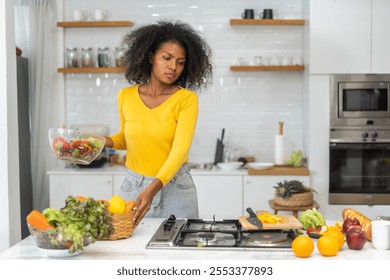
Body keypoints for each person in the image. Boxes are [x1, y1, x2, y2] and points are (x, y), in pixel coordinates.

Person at [104, 20, 213, 226]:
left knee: (180, 254)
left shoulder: (186, 100)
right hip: (134, 187)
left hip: (176, 188)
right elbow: (126, 138)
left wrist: (152, 189)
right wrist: (102, 141)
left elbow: (179, 151)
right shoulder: (126, 96)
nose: (174, 67)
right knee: (130, 252)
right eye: (167, 58)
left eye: (181, 62)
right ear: (150, 56)